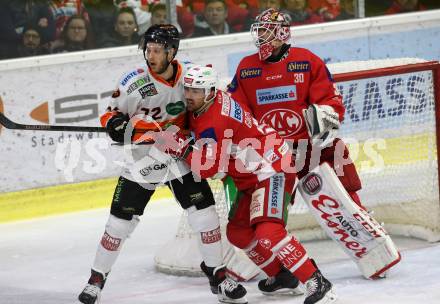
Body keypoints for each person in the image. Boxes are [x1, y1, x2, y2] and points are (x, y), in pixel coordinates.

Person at [77, 24, 247, 304]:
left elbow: (209, 105)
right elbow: (109, 116)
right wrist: (118, 125)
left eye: (157, 50)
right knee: (119, 225)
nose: (150, 55)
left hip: (180, 155)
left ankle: (217, 274)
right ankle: (97, 278)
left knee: (205, 215)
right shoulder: (132, 82)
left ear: (172, 51)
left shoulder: (190, 76)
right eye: (148, 49)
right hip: (143, 159)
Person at [228, 7, 400, 283]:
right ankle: (258, 261)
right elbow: (236, 110)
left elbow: (331, 101)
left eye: (266, 30)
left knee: (343, 196)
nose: (260, 36)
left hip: (309, 148)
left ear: (282, 33)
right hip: (271, 157)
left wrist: (325, 119)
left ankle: (375, 250)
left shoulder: (306, 62)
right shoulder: (246, 68)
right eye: (258, 30)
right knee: (254, 209)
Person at [154, 65, 337, 304]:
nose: (189, 94)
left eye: (196, 90)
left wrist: (180, 147)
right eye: (187, 88)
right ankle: (281, 276)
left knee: (268, 233)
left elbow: (209, 169)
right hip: (250, 177)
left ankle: (316, 281)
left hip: (273, 170)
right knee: (238, 234)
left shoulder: (216, 119)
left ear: (210, 91)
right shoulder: (208, 104)